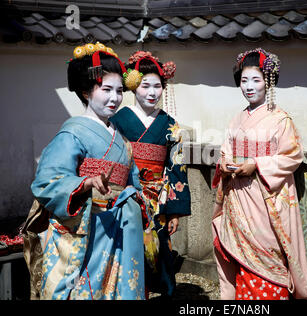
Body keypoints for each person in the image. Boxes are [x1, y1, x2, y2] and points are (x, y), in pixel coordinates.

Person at [25, 43, 149, 300]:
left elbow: (133, 179)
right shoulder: (72, 133)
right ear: (85, 91)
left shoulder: (120, 137)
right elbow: (47, 180)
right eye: (106, 90)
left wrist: (136, 197)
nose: (115, 98)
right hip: (89, 227)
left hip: (123, 226)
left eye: (118, 91)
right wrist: (85, 184)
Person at [211, 48, 307, 300]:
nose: (249, 87)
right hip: (238, 198)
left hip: (266, 201)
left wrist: (257, 164)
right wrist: (224, 164)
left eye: (255, 80)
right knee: (240, 259)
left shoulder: (281, 120)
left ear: (268, 82)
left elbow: (293, 155)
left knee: (269, 255)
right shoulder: (236, 120)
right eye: (244, 81)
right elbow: (226, 151)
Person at [110, 51, 191, 299]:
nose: (152, 92)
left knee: (160, 253)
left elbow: (177, 167)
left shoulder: (170, 124)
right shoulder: (118, 120)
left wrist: (175, 211)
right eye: (145, 86)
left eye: (157, 86)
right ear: (134, 87)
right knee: (125, 250)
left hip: (158, 200)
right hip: (125, 195)